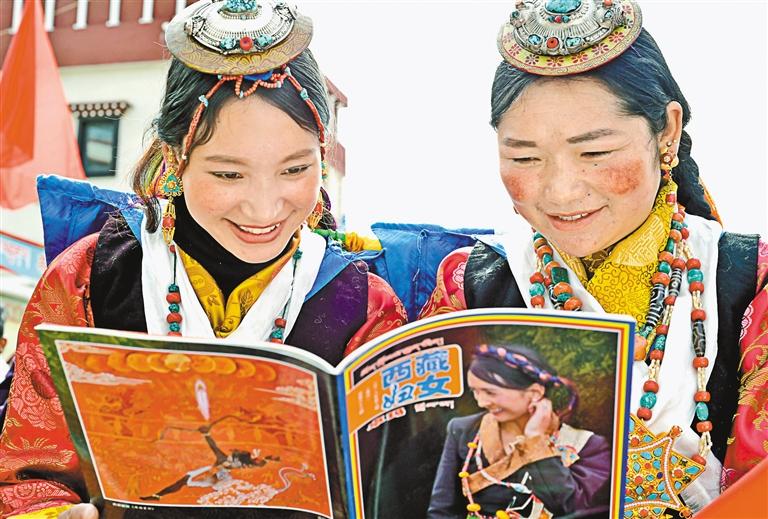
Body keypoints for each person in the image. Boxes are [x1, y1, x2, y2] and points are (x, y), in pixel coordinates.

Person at [0, 1, 406, 517]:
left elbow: (390, 486)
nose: (264, 208)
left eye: (295, 170)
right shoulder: (90, 276)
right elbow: (27, 476)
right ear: (175, 158)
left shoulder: (364, 305)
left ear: (322, 156)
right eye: (228, 174)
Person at [420, 0, 767, 516]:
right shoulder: (469, 286)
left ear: (667, 132)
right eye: (524, 157)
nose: (561, 191)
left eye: (595, 153)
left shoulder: (749, 282)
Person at [428, 344, 610, 518]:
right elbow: (442, 510)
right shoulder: (463, 430)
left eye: (490, 392)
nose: (481, 402)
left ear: (535, 393)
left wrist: (535, 440)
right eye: (475, 391)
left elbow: (574, 509)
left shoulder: (588, 445)